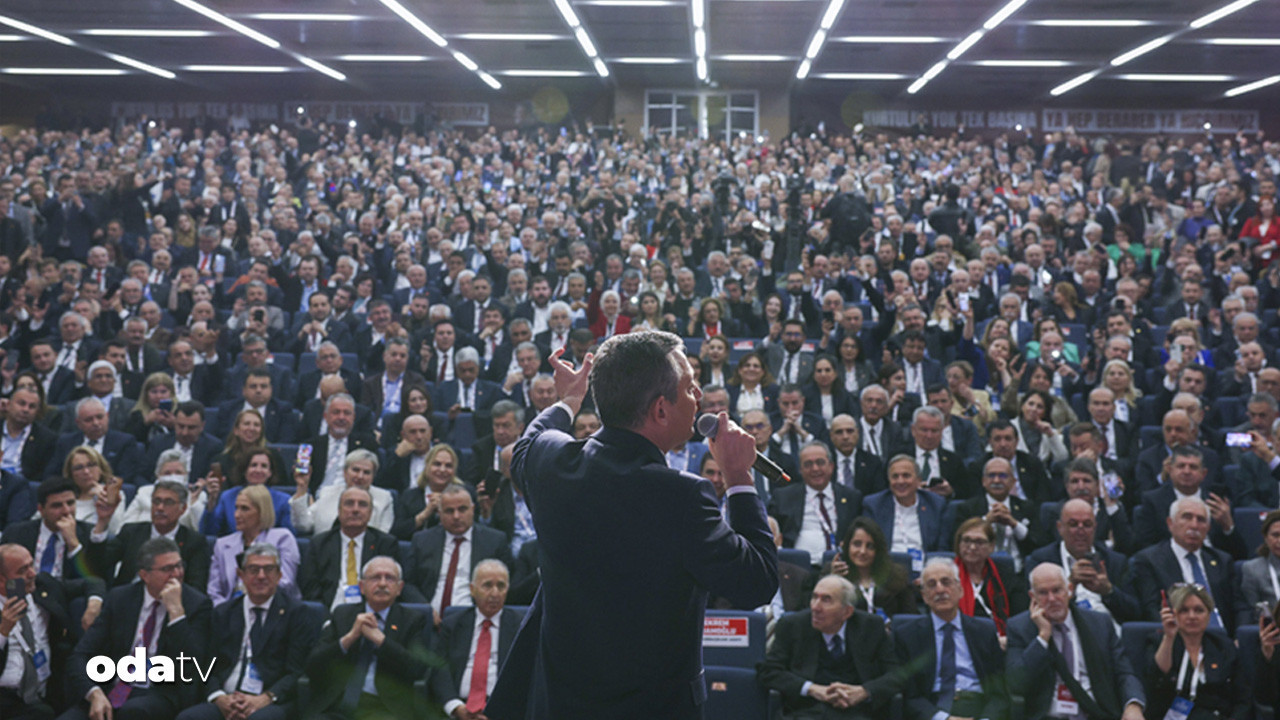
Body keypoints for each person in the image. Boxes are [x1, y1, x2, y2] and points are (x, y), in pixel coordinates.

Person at [486, 333, 777, 719]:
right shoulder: (683, 496)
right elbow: (757, 581)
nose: (699, 396)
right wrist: (739, 477)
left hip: (557, 703)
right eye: (690, 388)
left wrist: (568, 399)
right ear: (660, 410)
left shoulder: (550, 462)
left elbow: (527, 442)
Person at [63, 537, 213, 720]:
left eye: (179, 566)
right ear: (144, 575)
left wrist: (176, 612)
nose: (177, 574)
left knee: (134, 712)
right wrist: (93, 693)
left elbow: (192, 666)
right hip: (112, 687)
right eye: (167, 569)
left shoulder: (196, 604)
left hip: (159, 691)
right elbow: (80, 654)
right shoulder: (120, 598)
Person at [176, 544, 315, 720]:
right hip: (227, 698)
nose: (261, 576)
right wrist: (218, 697)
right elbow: (207, 665)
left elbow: (296, 671)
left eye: (268, 569)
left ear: (279, 576)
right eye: (253, 569)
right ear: (241, 575)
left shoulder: (296, 613)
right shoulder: (224, 613)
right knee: (188, 718)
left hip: (270, 700)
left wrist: (265, 698)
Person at [1005, 564, 1146, 720]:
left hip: (1096, 713)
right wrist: (1043, 637)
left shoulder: (1100, 623)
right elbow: (1016, 683)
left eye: (1057, 590)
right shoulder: (1019, 628)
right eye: (1043, 593)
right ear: (1033, 597)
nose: (1052, 599)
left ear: (1070, 590)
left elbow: (1124, 673)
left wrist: (1133, 705)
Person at [304, 555, 432, 719]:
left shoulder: (412, 619)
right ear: (361, 586)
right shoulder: (343, 614)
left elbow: (417, 669)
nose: (383, 583)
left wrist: (381, 641)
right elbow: (313, 665)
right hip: (337, 706)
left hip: (385, 708)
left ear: (400, 588)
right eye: (375, 578)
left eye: (390, 578)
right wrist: (350, 637)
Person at [758, 575, 903, 719]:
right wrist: (811, 689)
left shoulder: (871, 627)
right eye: (814, 597)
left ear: (847, 612)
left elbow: (897, 675)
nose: (815, 607)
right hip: (806, 711)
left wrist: (864, 691)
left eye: (826, 600)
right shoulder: (792, 625)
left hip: (858, 712)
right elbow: (769, 671)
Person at [0, 543, 106, 720]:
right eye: (22, 571)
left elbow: (93, 582)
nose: (32, 574)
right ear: (1, 580)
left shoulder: (43, 586)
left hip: (47, 690)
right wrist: (3, 632)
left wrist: (94, 604)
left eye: (31, 565)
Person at [894, 559, 1010, 720]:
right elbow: (910, 695)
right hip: (932, 709)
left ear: (960, 590)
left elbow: (1000, 693)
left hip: (977, 707)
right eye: (932, 584)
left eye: (946, 582)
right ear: (924, 596)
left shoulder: (984, 631)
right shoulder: (907, 635)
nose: (940, 590)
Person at [1025, 498, 1142, 625]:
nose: (1080, 531)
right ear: (1060, 527)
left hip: (1109, 632)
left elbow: (1135, 613)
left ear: (1094, 528)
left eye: (1087, 525)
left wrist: (1109, 591)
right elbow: (1032, 610)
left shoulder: (1115, 561)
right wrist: (1070, 586)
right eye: (1073, 524)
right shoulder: (1041, 560)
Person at [429, 559, 521, 719]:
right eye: (487, 585)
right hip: (458, 710)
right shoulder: (453, 624)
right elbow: (438, 670)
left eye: (501, 586)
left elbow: (525, 676)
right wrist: (456, 707)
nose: (494, 593)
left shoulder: (520, 626)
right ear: (472, 589)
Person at [1144, 583, 1251, 720]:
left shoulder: (1223, 646)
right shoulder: (1160, 642)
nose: (1192, 616)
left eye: (1199, 610)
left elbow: (1243, 699)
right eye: (1184, 610)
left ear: (1208, 614)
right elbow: (1155, 679)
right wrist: (1169, 637)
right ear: (1174, 614)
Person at [1132, 496, 1238, 633]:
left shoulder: (1222, 561)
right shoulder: (1149, 561)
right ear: (1170, 524)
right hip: (1176, 637)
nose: (1194, 525)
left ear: (1208, 528)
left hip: (1222, 640)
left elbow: (1238, 607)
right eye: (1187, 517)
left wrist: (1237, 638)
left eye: (1201, 520)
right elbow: (1151, 609)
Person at [409, 484, 511, 626]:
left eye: (462, 509)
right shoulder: (422, 541)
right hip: (430, 622)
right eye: (449, 511)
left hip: (476, 622)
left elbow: (506, 586)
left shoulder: (494, 541)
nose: (456, 516)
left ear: (473, 509)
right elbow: (408, 583)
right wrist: (426, 609)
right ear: (439, 514)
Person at [87, 477, 211, 591]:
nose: (160, 508)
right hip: (126, 600)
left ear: (182, 509)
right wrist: (102, 522)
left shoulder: (194, 542)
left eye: (168, 502)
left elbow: (196, 587)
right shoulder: (131, 532)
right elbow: (96, 567)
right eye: (156, 501)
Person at [297, 486, 403, 611]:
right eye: (349, 504)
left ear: (370, 513)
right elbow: (310, 589)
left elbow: (391, 587)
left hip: (370, 613)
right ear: (339, 510)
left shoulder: (385, 543)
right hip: (329, 611)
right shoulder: (320, 544)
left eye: (362, 505)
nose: (355, 509)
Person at [206, 485, 300, 605]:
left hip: (275, 609)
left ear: (262, 512)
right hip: (230, 613)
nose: (236, 515)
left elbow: (285, 583)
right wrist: (227, 613)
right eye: (236, 508)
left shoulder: (282, 538)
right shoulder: (222, 544)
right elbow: (214, 591)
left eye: (244, 509)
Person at [768, 441, 861, 560]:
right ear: (800, 470)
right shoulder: (783, 497)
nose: (815, 469)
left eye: (820, 462)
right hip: (798, 567)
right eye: (808, 464)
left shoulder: (851, 497)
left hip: (840, 563)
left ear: (831, 466)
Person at [1, 480, 94, 580]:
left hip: (68, 592)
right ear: (41, 509)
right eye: (57, 506)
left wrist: (73, 544)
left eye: (70, 503)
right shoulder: (16, 533)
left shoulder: (89, 534)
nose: (66, 511)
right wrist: (18, 595)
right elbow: (7, 574)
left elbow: (91, 580)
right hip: (25, 590)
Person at [824, 517, 918, 617]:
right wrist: (833, 581)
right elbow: (822, 614)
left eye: (870, 546)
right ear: (846, 546)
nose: (863, 551)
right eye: (857, 544)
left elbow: (910, 619)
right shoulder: (832, 573)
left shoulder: (897, 576)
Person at [952, 518, 1025, 639]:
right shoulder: (947, 576)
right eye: (966, 540)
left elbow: (1019, 616)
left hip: (1000, 641)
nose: (972, 547)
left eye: (979, 542)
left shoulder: (1004, 576)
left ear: (991, 546)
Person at [863, 455, 949, 554]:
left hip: (926, 566)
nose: (900, 481)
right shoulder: (874, 505)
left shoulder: (936, 504)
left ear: (918, 480)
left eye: (906, 476)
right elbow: (869, 545)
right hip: (886, 565)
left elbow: (942, 548)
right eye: (895, 476)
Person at [200, 449, 294, 537]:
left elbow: (288, 535)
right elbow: (210, 532)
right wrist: (212, 500)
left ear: (270, 473)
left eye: (264, 466)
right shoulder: (228, 496)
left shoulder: (283, 500)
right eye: (253, 465)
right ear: (244, 470)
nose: (258, 470)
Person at [1240, 509, 1280, 624]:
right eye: (1275, 535)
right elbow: (1252, 613)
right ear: (1266, 537)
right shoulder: (1252, 569)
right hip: (1270, 633)